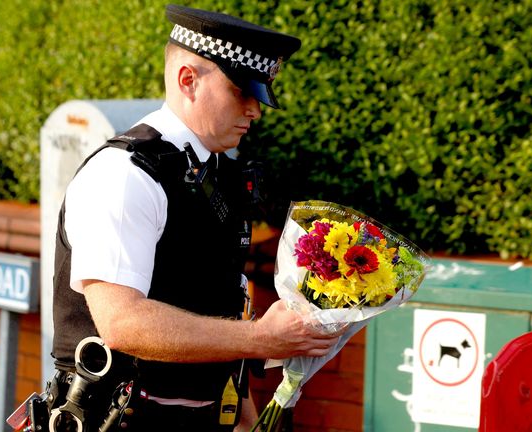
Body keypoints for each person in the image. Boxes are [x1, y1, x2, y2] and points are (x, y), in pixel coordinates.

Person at [48, 4, 344, 431]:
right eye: (242, 92)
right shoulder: (124, 175)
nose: (255, 110)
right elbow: (123, 323)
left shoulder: (216, 171)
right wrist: (264, 338)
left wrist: (246, 419)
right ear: (188, 80)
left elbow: (216, 305)